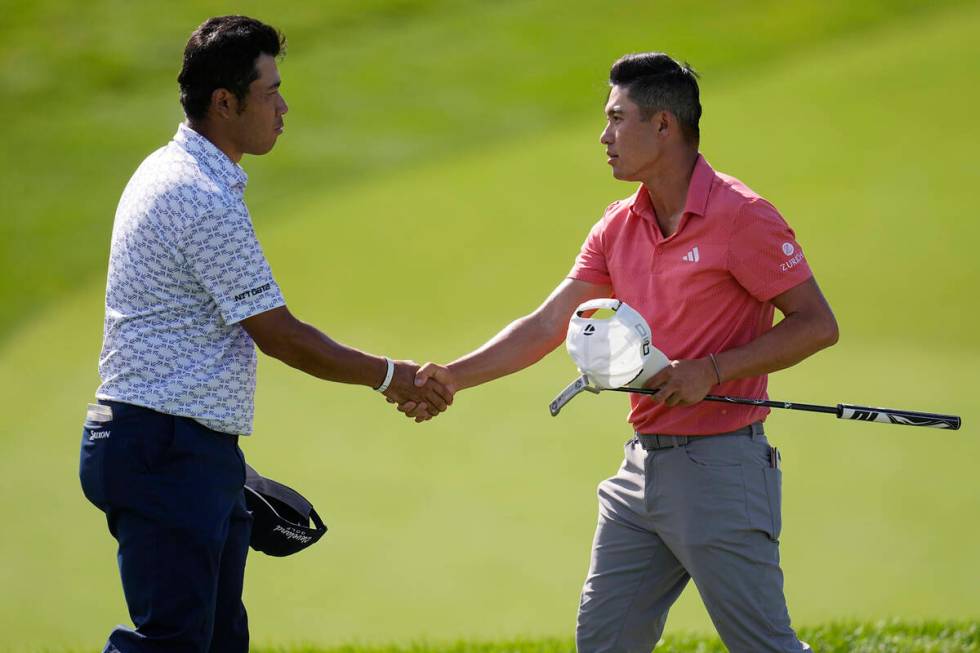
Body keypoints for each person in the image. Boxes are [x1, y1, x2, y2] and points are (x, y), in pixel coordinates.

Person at [403, 53, 838, 652]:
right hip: (642, 472)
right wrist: (451, 376)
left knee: (766, 646)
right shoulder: (617, 225)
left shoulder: (743, 217)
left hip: (721, 469)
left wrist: (711, 370)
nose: (604, 137)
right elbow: (545, 325)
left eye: (616, 118)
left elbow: (817, 324)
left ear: (664, 125)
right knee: (605, 642)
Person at [78, 16, 451, 653]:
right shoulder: (198, 196)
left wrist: (219, 466)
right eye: (270, 91)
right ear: (225, 102)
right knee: (172, 643)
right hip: (164, 447)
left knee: (220, 641)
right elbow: (281, 335)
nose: (284, 106)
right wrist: (392, 376)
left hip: (181, 444)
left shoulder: (175, 172)